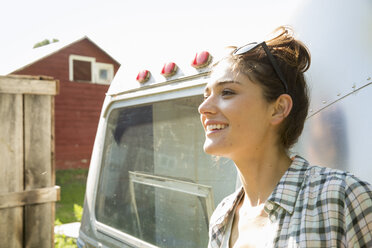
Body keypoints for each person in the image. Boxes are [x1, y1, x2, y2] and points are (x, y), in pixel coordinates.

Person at [198, 26, 372, 247]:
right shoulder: (221, 217)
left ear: (278, 108)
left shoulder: (342, 198)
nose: (203, 107)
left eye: (227, 92)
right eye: (206, 95)